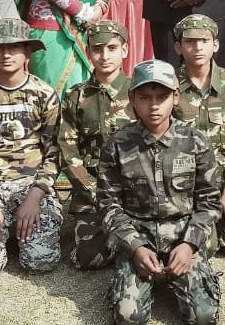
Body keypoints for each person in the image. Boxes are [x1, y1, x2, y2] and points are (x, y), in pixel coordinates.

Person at [96, 59, 222, 325]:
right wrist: (135, 248)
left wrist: (189, 245)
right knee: (128, 317)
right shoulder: (117, 145)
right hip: (137, 234)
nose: (153, 105)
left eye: (162, 97)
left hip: (183, 235)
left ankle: (187, 273)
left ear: (175, 97)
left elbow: (209, 202)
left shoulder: (195, 141)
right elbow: (108, 205)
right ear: (132, 98)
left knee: (203, 316)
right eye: (145, 97)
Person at [0, 18, 63, 277]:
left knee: (40, 261)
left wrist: (35, 197)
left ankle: (21, 230)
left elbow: (54, 153)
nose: (6, 54)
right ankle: (2, 230)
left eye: (14, 47)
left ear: (27, 51)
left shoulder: (44, 94)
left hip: (32, 186)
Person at [172, 14, 225, 257]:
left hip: (222, 181)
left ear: (216, 45)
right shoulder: (168, 85)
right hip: (185, 182)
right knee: (204, 248)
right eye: (190, 41)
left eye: (204, 41)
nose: (198, 47)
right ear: (178, 47)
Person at [58, 20, 135, 270]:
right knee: (89, 259)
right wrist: (93, 191)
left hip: (136, 191)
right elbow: (67, 148)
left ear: (124, 50)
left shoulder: (140, 92)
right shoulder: (76, 96)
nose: (104, 56)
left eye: (112, 48)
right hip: (93, 192)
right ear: (88, 51)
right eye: (97, 49)